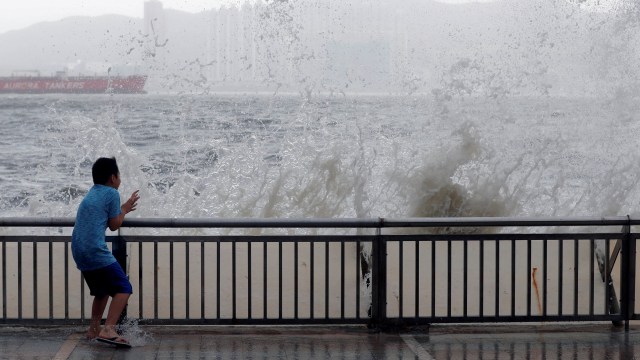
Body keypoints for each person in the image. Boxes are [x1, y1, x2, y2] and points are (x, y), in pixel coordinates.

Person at [71, 157, 140, 347]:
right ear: (112, 178)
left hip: (79, 249)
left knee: (101, 291)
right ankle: (109, 329)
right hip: (95, 250)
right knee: (124, 288)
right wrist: (125, 208)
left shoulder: (93, 192)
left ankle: (93, 330)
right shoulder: (111, 193)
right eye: (119, 175)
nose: (119, 179)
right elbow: (114, 225)